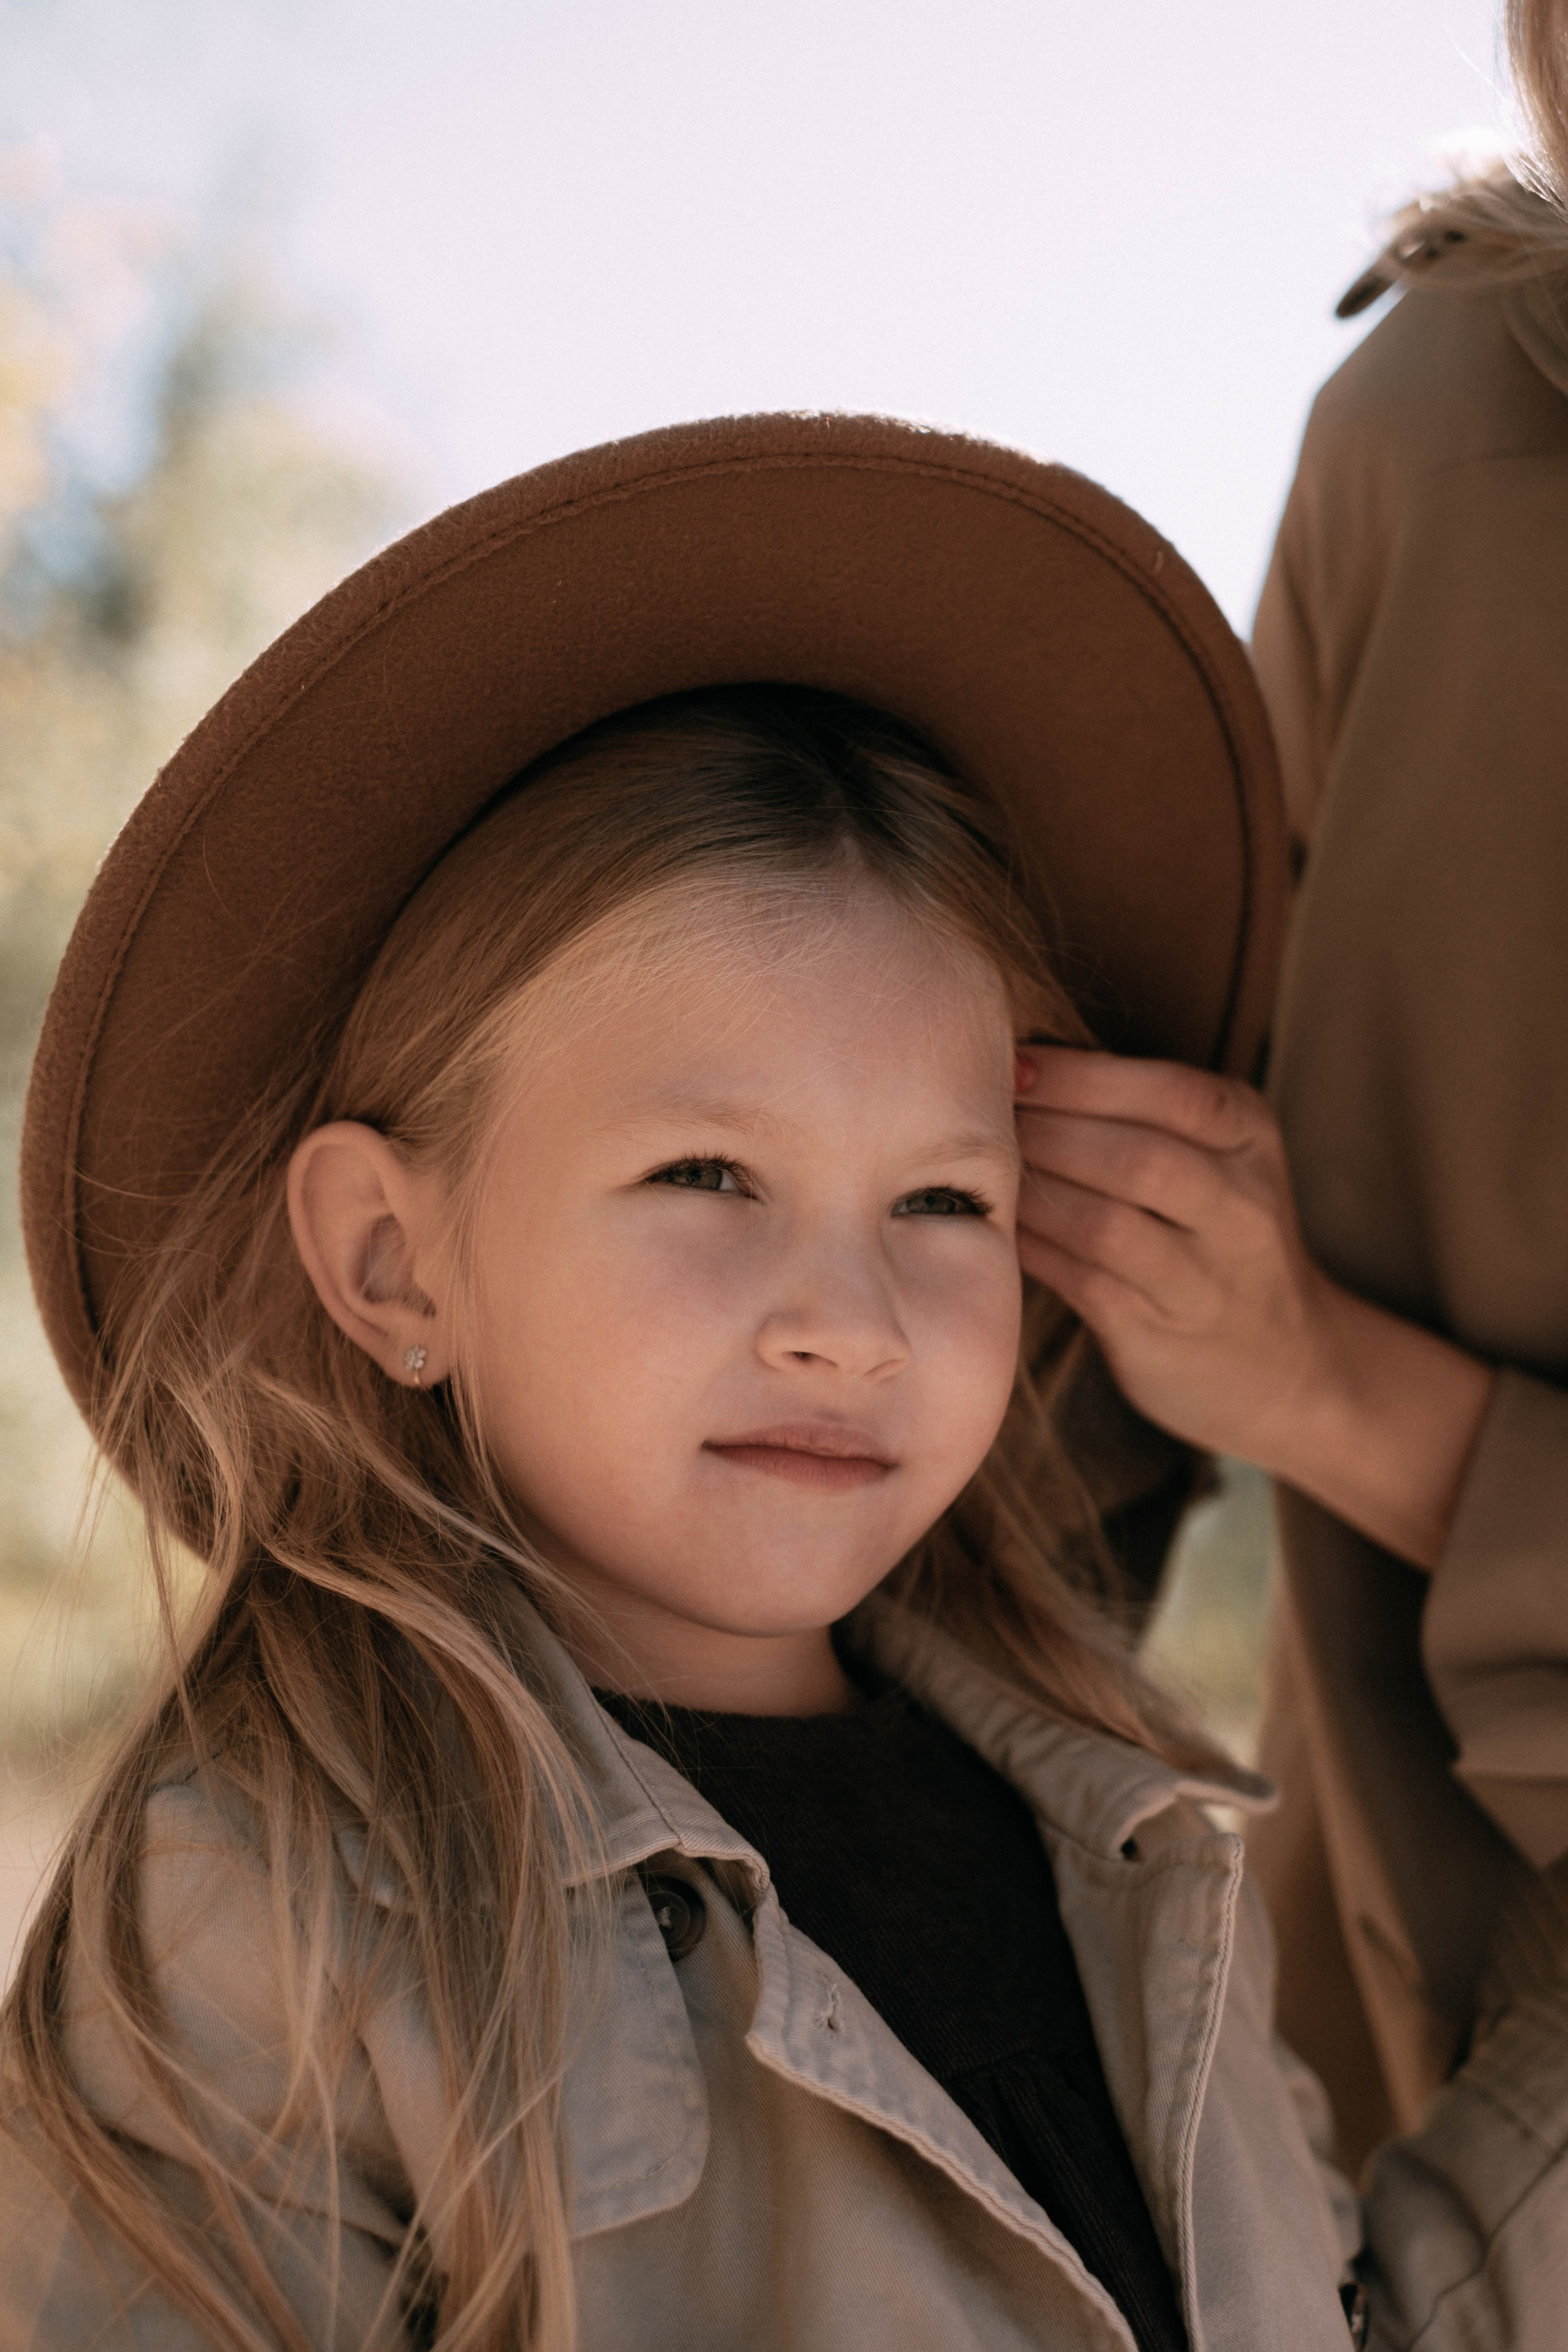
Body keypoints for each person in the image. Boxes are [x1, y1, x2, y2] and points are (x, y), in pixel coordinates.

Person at [0, 411, 1558, 2352]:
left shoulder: (1145, 1868)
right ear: (396, 1262)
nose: (854, 1320)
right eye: (708, 1177)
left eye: (938, 1197)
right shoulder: (266, 1928)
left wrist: (1329, 1385)